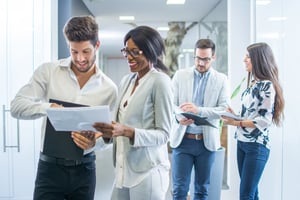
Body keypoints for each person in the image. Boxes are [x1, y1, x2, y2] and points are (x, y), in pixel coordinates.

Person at [10, 16, 118, 200]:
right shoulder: (48, 72)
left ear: (97, 45)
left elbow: (110, 136)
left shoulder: (109, 89)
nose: (80, 58)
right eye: (74, 51)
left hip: (85, 170)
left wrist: (95, 143)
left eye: (86, 51)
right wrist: (48, 108)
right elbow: (16, 107)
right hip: (50, 170)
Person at [93, 25, 173, 200]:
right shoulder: (126, 81)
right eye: (126, 51)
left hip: (148, 171)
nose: (129, 57)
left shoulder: (160, 82)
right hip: (123, 168)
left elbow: (164, 134)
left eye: (135, 52)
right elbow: (119, 123)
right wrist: (107, 132)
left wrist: (128, 132)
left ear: (150, 51)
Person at [221, 42, 284, 200]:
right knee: (251, 193)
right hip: (242, 142)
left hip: (257, 145)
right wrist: (234, 115)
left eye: (248, 57)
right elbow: (251, 116)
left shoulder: (267, 86)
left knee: (246, 194)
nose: (244, 59)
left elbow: (263, 121)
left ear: (258, 59)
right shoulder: (252, 84)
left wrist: (235, 123)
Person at [170, 38, 229, 200]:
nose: (201, 63)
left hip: (206, 143)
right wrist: (178, 116)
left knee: (202, 190)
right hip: (183, 141)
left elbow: (224, 109)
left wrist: (199, 111)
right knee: (180, 189)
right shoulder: (180, 76)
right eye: (198, 58)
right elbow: (171, 103)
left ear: (213, 58)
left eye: (206, 59)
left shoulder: (221, 79)